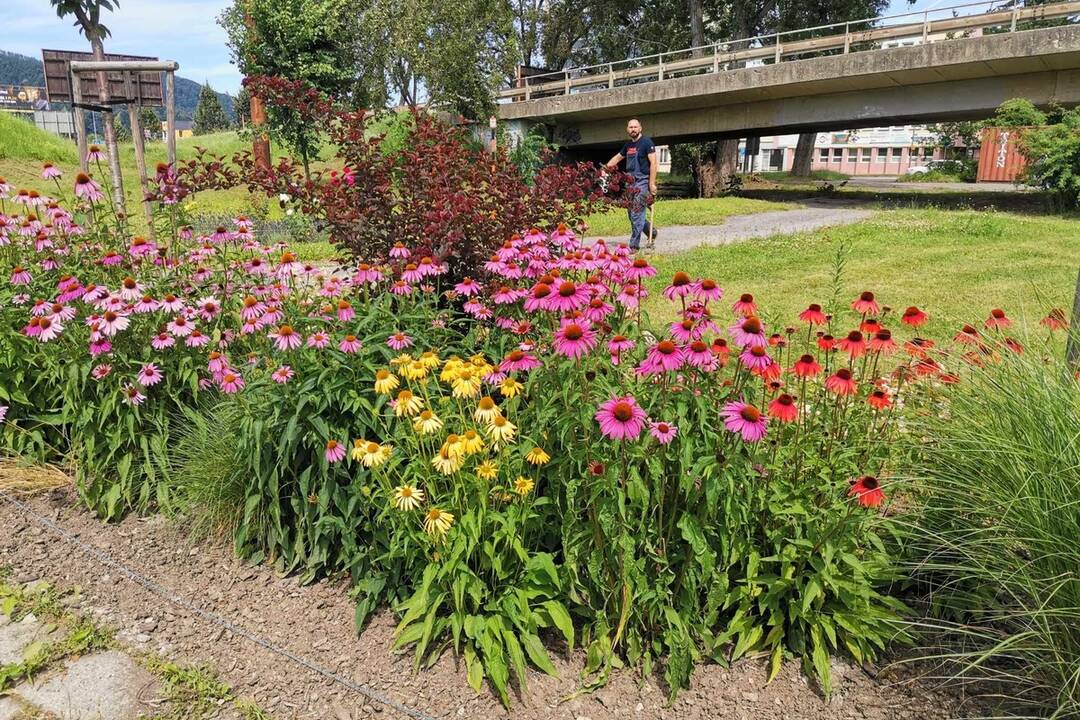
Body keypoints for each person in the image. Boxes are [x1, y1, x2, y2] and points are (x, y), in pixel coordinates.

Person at [605, 118, 658, 250]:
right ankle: (650, 230)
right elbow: (617, 158)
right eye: (630, 127)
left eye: (635, 127)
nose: (633, 129)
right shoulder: (628, 146)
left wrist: (651, 183)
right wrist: (604, 169)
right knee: (631, 213)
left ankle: (634, 245)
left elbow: (654, 163)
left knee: (637, 212)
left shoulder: (646, 142)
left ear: (640, 128)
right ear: (627, 129)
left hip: (642, 181)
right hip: (630, 182)